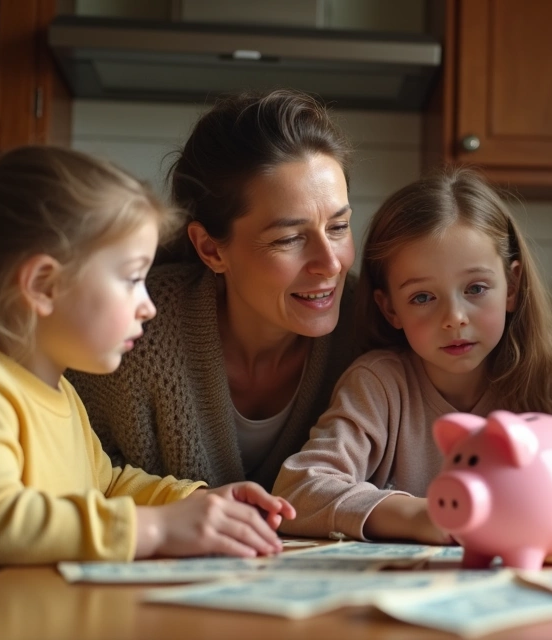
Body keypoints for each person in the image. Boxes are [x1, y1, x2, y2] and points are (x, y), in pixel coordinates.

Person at [0, 147, 295, 604]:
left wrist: (199, 501)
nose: (148, 305)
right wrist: (157, 529)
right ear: (43, 285)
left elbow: (107, 486)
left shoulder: (61, 392)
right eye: (131, 279)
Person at [273, 168, 552, 544]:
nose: (454, 319)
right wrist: (422, 516)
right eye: (422, 297)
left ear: (512, 287)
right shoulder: (379, 385)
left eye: (476, 288)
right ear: (390, 310)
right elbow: (298, 489)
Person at [68, 90, 363, 491]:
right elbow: (75, 479)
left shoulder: (375, 329)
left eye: (338, 227)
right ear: (211, 249)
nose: (330, 263)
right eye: (289, 239)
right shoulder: (132, 337)